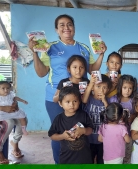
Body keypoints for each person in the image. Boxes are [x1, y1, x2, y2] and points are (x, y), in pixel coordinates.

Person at [28, 14, 107, 164]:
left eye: (69, 24)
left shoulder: (83, 47)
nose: (66, 27)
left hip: (81, 98)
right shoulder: (50, 48)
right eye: (62, 25)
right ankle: (60, 162)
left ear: (74, 28)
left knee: (80, 131)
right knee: (60, 133)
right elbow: (41, 72)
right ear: (57, 30)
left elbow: (92, 69)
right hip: (56, 99)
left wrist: (102, 54)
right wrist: (34, 53)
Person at [48, 86, 93, 164]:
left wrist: (84, 130)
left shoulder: (83, 115)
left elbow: (90, 130)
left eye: (75, 101)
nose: (71, 105)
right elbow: (52, 135)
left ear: (79, 102)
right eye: (67, 102)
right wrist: (63, 136)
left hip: (84, 158)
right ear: (60, 103)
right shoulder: (58, 119)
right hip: (66, 158)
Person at [82, 74, 111, 164]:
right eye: (98, 86)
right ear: (93, 88)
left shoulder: (108, 101)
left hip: (102, 139)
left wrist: (104, 101)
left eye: (104, 88)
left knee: (101, 161)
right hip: (89, 139)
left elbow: (110, 114)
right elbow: (83, 101)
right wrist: (90, 84)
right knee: (89, 160)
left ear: (108, 89)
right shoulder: (89, 99)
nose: (101, 90)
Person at [109, 74, 137, 164]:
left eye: (130, 88)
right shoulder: (114, 99)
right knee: (116, 157)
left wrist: (133, 116)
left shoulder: (133, 101)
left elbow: (137, 113)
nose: (127, 91)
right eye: (124, 87)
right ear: (120, 87)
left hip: (127, 134)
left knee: (127, 156)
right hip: (115, 136)